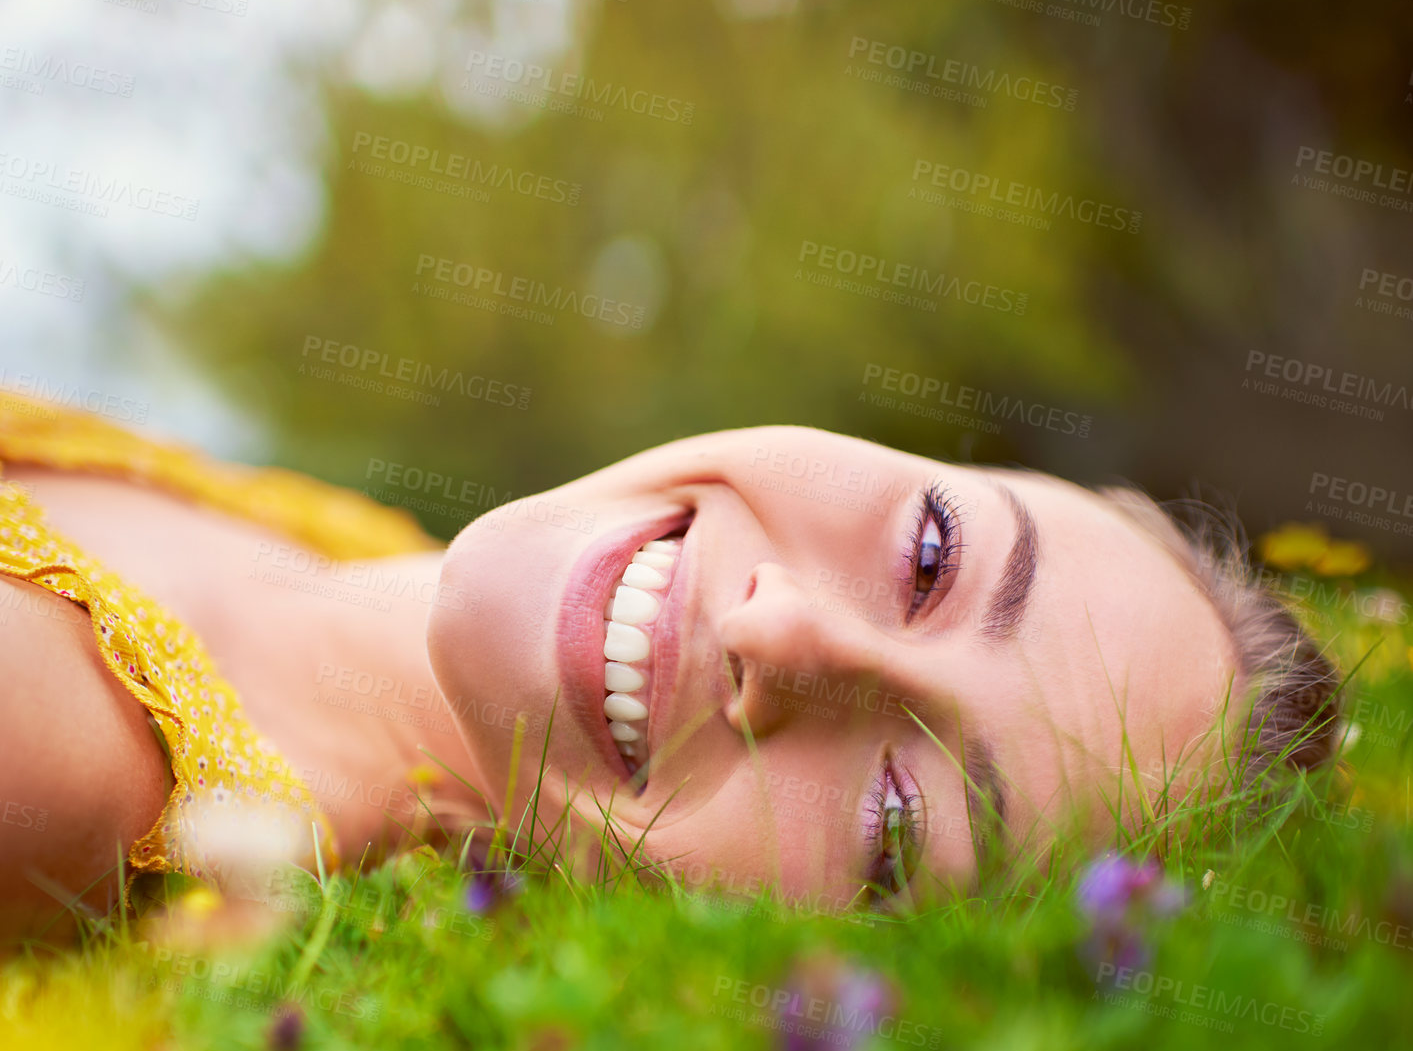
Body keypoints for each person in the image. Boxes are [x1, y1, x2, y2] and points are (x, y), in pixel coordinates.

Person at [0, 389, 1340, 940]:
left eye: (892, 819)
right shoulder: (359, 549)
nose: (781, 638)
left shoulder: (54, 764)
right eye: (931, 554)